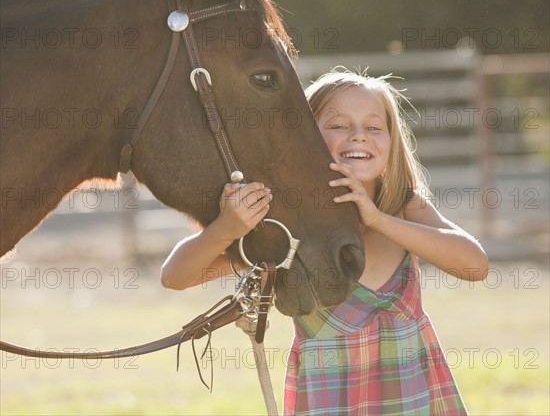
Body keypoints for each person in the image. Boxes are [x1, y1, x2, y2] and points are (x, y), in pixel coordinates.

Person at [161, 68, 489, 415]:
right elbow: (176, 276)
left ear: (391, 141)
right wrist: (227, 228)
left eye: (374, 127)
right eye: (338, 126)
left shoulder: (403, 206)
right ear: (304, 138)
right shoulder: (288, 224)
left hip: (413, 401)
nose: (359, 136)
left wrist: (378, 219)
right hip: (331, 401)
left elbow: (475, 265)